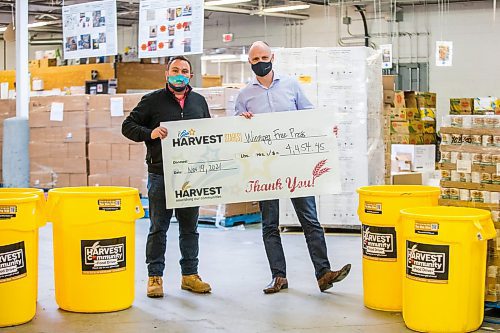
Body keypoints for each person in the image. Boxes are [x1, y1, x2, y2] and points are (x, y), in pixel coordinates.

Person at [234, 41, 351, 294]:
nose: (261, 62)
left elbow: (309, 116)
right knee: (269, 224)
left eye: (264, 57)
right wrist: (240, 121)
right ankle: (279, 276)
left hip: (296, 166)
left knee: (309, 219)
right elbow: (236, 133)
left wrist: (325, 129)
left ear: (272, 57)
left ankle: (324, 274)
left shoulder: (291, 86)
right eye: (255, 59)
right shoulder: (244, 96)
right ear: (250, 62)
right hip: (263, 168)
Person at [122, 56, 212, 298]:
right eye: (175, 70)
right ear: (166, 74)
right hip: (161, 174)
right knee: (158, 228)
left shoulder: (198, 102)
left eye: (184, 71)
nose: (179, 74)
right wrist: (150, 133)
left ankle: (190, 276)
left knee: (190, 228)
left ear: (190, 76)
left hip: (191, 176)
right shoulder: (152, 101)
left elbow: (210, 135)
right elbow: (127, 126)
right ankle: (155, 277)